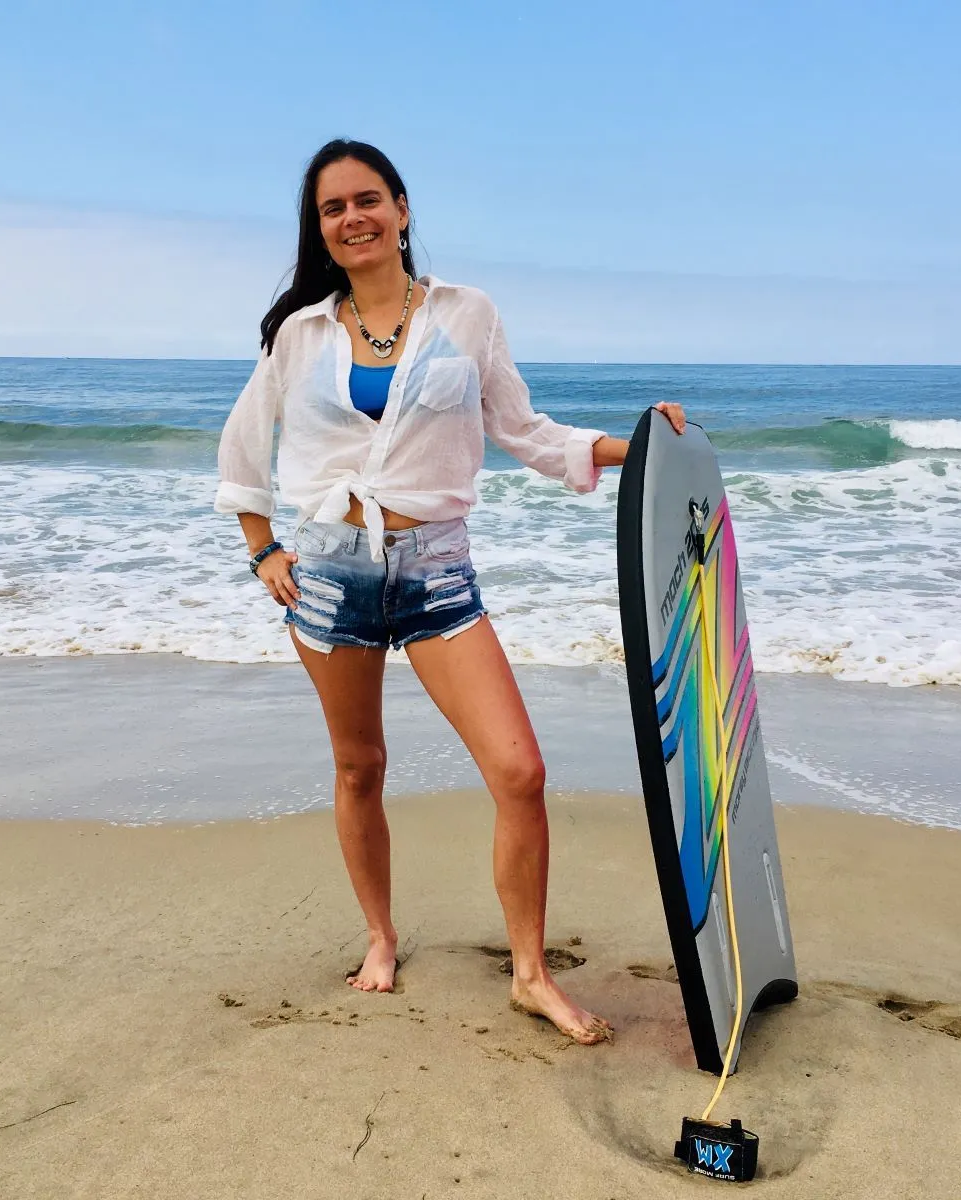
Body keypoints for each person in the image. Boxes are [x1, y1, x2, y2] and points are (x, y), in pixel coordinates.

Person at [215, 138, 686, 1045]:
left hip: (436, 575)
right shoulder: (300, 333)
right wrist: (262, 551)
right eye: (331, 208)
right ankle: (382, 938)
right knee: (361, 768)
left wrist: (640, 444)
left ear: (400, 207)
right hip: (328, 580)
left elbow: (524, 428)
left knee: (520, 770)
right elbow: (243, 450)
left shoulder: (467, 316)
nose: (352, 218)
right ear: (320, 229)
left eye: (367, 200)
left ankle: (531, 974)